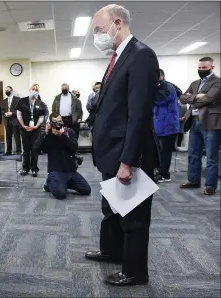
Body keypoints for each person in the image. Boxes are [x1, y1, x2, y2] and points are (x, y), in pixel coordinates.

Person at [86, 4, 159, 286]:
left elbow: (138, 114)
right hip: (110, 152)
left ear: (117, 23)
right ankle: (111, 250)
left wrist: (128, 161)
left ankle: (134, 271)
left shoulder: (141, 55)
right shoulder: (118, 57)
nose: (97, 35)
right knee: (111, 209)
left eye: (99, 29)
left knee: (133, 217)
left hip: (127, 154)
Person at [179, 56, 221, 195]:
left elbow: (210, 98)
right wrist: (198, 97)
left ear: (212, 68)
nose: (201, 70)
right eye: (200, 68)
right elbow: (182, 97)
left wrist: (193, 98)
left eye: (205, 68)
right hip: (194, 122)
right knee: (193, 154)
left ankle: (210, 185)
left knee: (211, 156)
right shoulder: (195, 82)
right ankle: (193, 180)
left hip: (210, 123)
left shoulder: (217, 82)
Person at [34, 113, 91, 200]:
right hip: (56, 171)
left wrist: (63, 136)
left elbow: (74, 147)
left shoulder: (69, 132)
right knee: (61, 194)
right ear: (50, 123)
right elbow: (36, 148)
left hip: (70, 171)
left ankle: (62, 183)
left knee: (86, 190)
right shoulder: (48, 135)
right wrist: (45, 133)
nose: (58, 124)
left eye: (59, 121)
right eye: (55, 122)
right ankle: (49, 183)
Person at [154, 69, 180, 183]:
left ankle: (164, 174)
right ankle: (160, 171)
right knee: (159, 151)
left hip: (168, 125)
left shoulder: (167, 87)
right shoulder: (158, 87)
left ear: (162, 76)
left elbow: (160, 100)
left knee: (165, 151)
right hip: (159, 125)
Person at [17, 86, 46, 177]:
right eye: (33, 89)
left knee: (34, 149)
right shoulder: (22, 101)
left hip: (35, 129)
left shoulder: (40, 103)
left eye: (36, 90)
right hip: (24, 128)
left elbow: (41, 117)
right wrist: (23, 125)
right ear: (29, 90)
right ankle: (25, 168)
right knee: (26, 149)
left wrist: (36, 126)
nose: (34, 91)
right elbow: (19, 114)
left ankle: (34, 168)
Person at [1, 86, 21, 154]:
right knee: (8, 137)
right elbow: (2, 110)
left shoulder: (18, 100)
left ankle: (18, 151)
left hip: (15, 121)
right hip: (7, 121)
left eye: (8, 90)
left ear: (11, 90)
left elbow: (19, 110)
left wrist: (12, 113)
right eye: (5, 90)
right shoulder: (4, 101)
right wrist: (5, 114)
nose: (7, 91)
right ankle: (8, 151)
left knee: (17, 137)